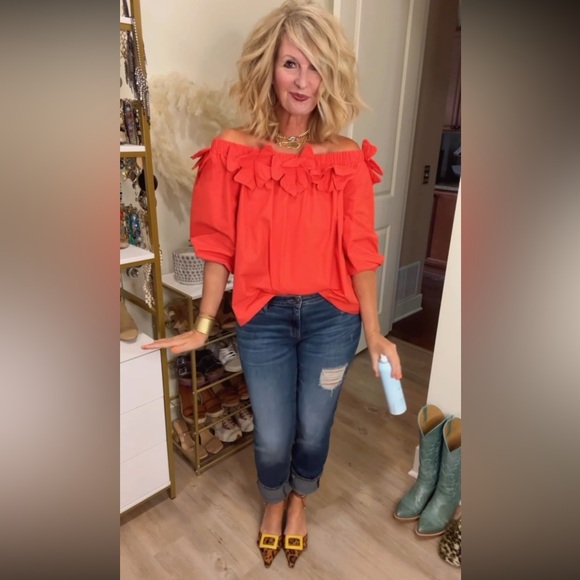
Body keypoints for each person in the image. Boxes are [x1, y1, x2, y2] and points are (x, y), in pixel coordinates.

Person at [143, 0, 402, 569]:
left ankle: (299, 499)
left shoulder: (347, 159)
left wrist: (375, 333)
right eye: (291, 64)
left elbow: (361, 252)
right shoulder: (233, 151)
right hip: (263, 320)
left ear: (330, 77)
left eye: (317, 67)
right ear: (268, 69)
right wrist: (203, 326)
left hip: (333, 320)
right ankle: (272, 500)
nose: (304, 81)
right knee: (272, 434)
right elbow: (217, 248)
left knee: (314, 426)